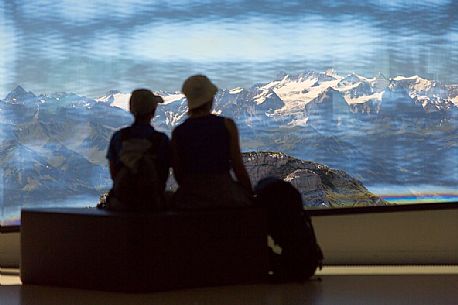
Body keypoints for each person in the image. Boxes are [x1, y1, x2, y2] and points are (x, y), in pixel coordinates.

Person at [171, 75, 253, 208]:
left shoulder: (178, 132)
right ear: (210, 99)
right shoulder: (227, 125)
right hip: (224, 193)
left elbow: (178, 173)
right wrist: (249, 194)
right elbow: (238, 167)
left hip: (190, 198)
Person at [105, 89, 170, 210]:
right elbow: (163, 174)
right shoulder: (161, 140)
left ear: (131, 110)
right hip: (152, 204)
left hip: (122, 204)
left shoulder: (118, 137)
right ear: (153, 111)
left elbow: (114, 173)